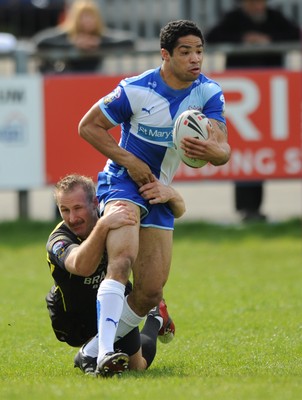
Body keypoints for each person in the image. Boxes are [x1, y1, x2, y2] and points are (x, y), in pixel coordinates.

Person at [78, 19, 230, 376]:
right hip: (122, 183)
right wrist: (129, 162)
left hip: (159, 191)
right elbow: (88, 126)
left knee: (149, 292)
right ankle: (102, 359)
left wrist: (211, 147)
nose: (195, 59)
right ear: (165, 55)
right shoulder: (135, 89)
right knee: (123, 258)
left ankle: (94, 348)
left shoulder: (208, 93)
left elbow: (223, 152)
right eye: (185, 51)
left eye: (199, 51)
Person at [46, 173, 185, 375]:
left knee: (137, 367)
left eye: (78, 208)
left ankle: (155, 317)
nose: (72, 218)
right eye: (64, 210)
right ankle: (153, 315)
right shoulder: (59, 238)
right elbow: (82, 266)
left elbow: (178, 210)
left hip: (115, 303)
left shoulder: (117, 215)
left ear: (95, 202)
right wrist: (103, 226)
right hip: (73, 317)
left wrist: (172, 194)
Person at [206, 0, 301, 222]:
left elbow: (296, 35)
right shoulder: (233, 19)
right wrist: (243, 40)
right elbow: (212, 38)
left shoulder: (275, 18)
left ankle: (255, 208)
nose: (258, 7)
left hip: (272, 99)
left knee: (265, 151)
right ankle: (247, 209)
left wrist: (269, 41)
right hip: (242, 99)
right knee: (244, 151)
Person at [32, 0, 134, 73]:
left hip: (93, 80)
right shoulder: (67, 35)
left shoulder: (100, 36)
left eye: (91, 16)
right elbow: (40, 41)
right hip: (68, 81)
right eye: (83, 17)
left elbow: (130, 40)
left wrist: (98, 43)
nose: (87, 21)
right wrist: (73, 43)